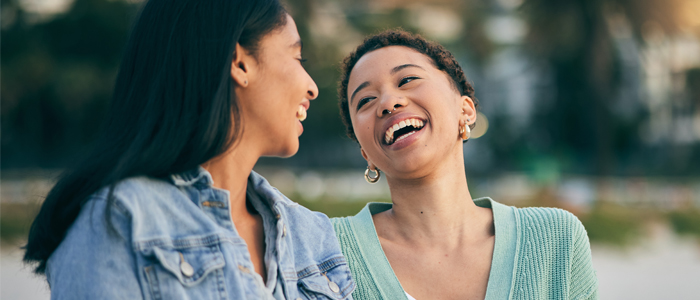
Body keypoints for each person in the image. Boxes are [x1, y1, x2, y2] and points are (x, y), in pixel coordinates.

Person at [23, 0, 354, 299]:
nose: (312, 86)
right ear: (239, 63)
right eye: (297, 57)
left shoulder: (310, 234)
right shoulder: (123, 220)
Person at [331, 30, 597, 300]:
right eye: (365, 100)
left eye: (407, 80)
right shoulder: (325, 249)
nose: (388, 103)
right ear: (365, 152)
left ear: (466, 111)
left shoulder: (556, 240)